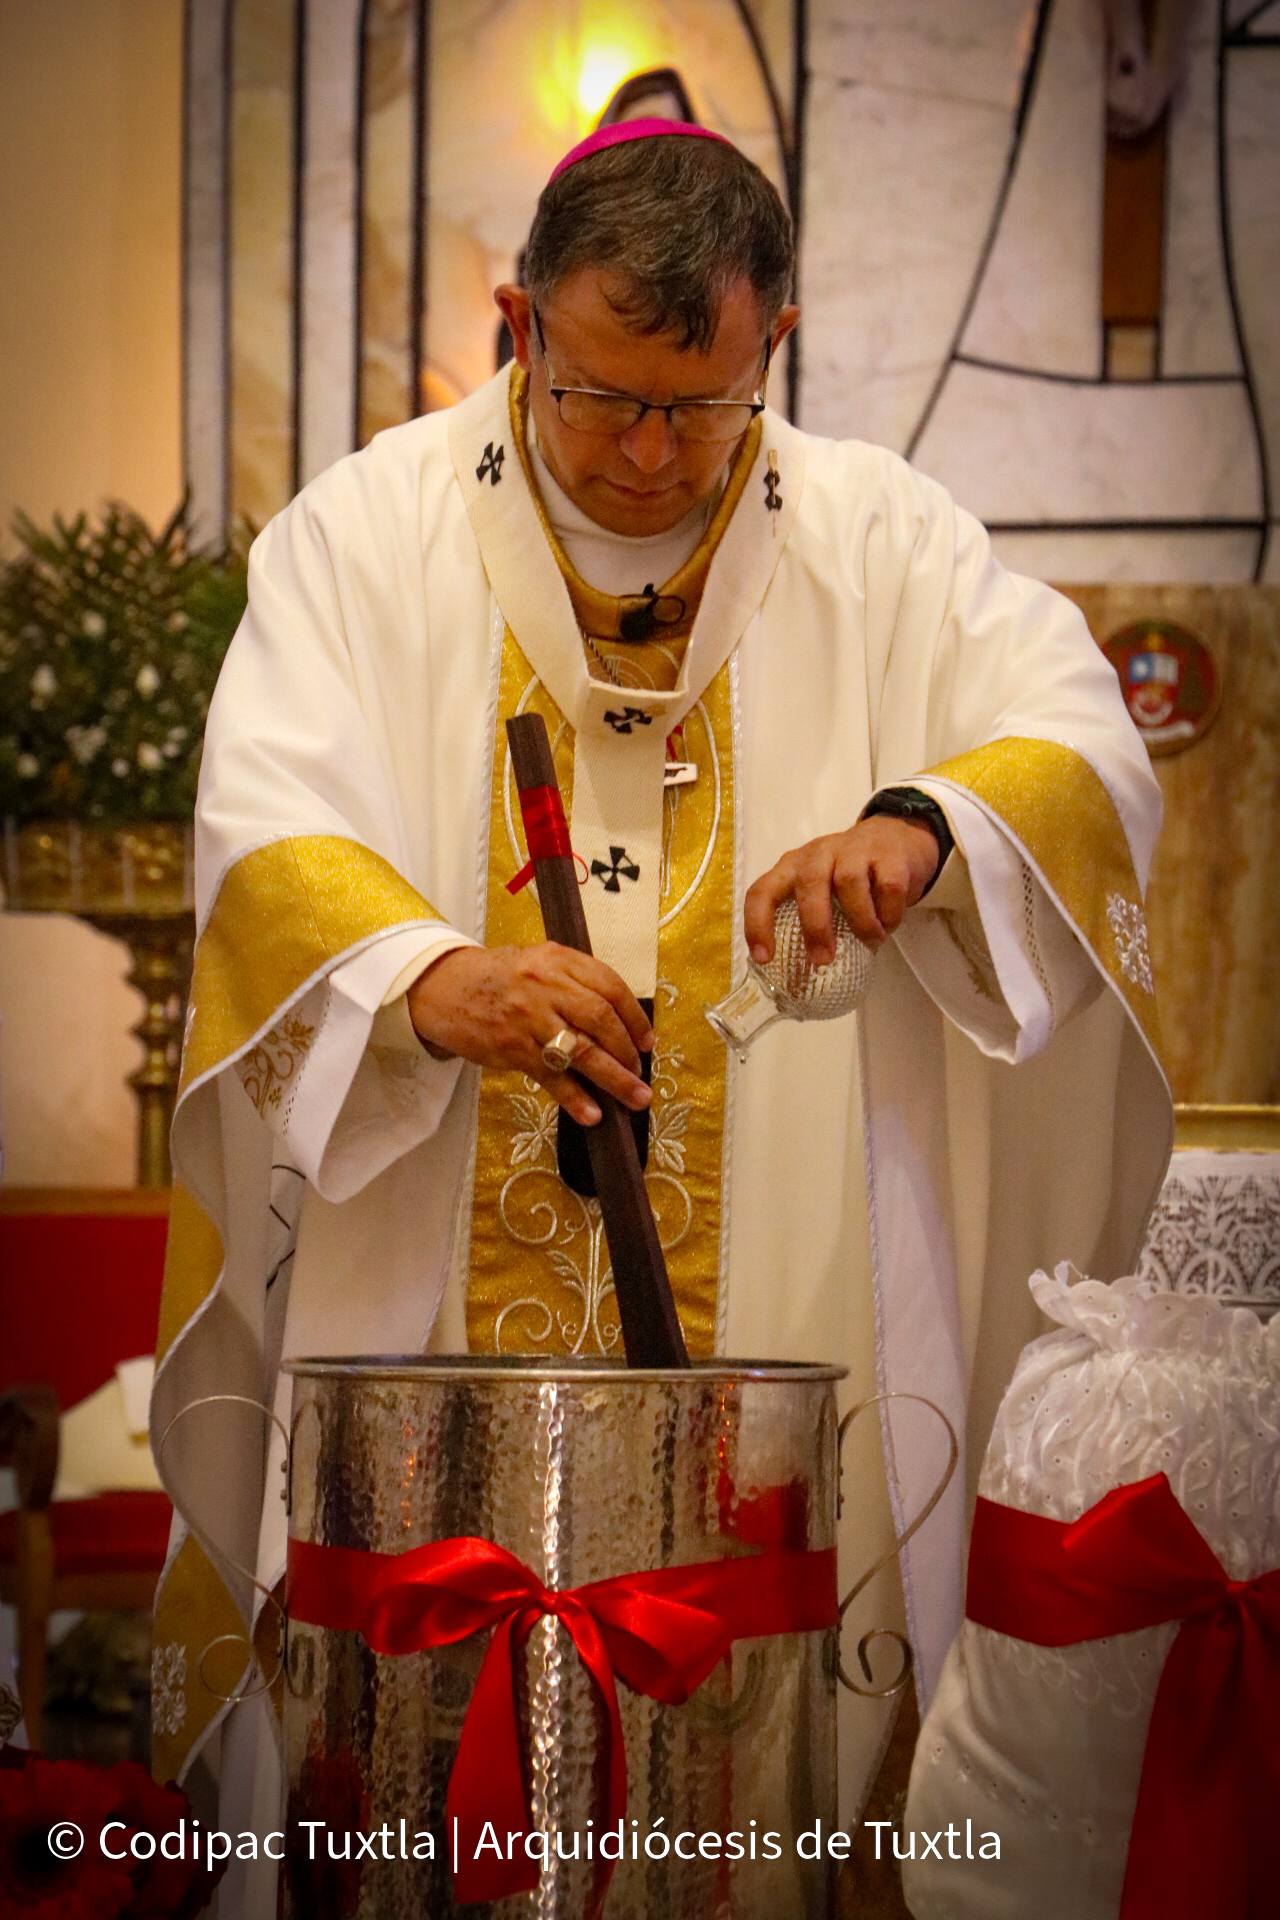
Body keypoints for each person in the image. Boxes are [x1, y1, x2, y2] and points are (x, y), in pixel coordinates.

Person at [150, 120, 1171, 1911]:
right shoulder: (364, 535)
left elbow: (1077, 740)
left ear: (773, 342)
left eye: (697, 411)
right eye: (598, 395)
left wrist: (924, 829)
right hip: (423, 1255)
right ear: (515, 322)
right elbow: (262, 832)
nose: (642, 455)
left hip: (806, 1261)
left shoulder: (884, 535)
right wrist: (423, 973)